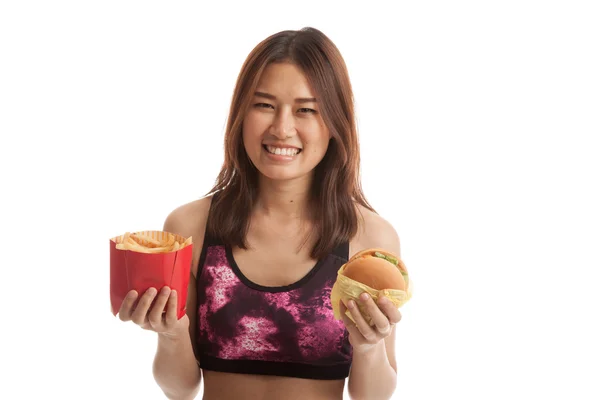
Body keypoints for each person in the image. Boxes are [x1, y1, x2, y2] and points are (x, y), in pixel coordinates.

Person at [117, 27, 403, 400]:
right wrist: (170, 334)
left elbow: (373, 396)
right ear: (240, 113)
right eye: (264, 105)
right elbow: (181, 387)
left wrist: (368, 347)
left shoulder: (370, 239)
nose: (282, 128)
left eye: (306, 110)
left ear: (334, 123)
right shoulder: (191, 227)